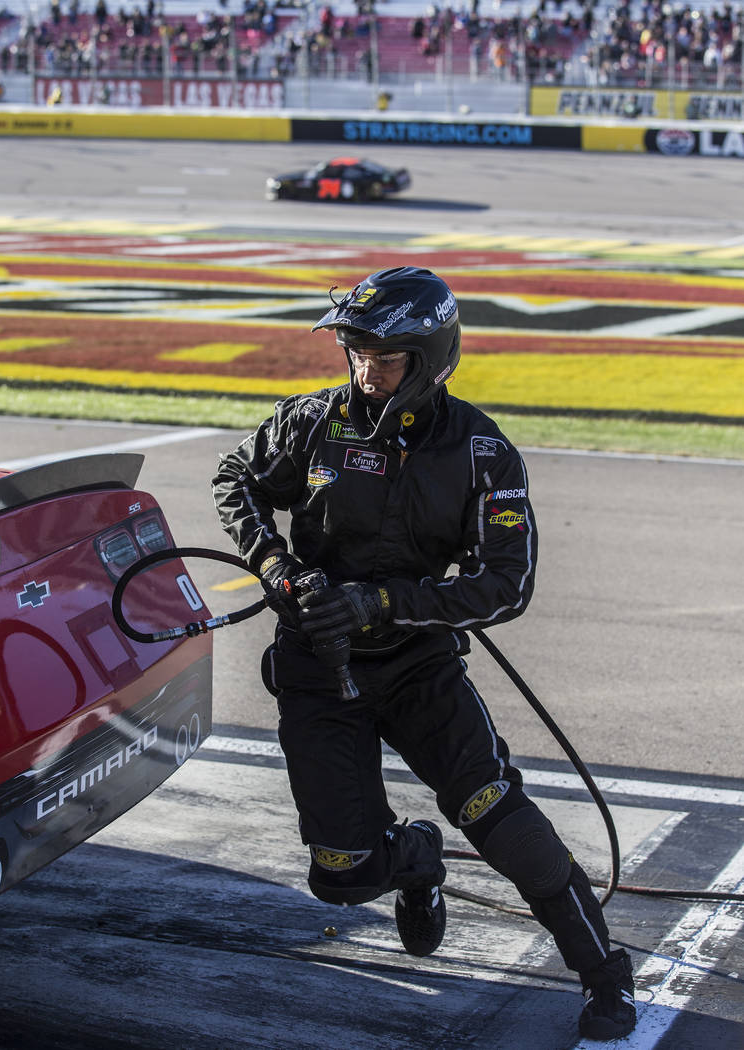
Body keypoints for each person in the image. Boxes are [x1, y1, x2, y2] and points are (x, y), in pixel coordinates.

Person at [212, 266, 637, 1041]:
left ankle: (605, 973)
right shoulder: (310, 421)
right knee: (340, 880)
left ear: (432, 355)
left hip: (418, 667)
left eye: (386, 358)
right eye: (356, 353)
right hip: (317, 664)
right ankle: (414, 859)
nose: (366, 371)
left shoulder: (482, 451)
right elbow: (236, 477)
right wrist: (276, 567)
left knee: (501, 820)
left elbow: (507, 585)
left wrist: (384, 602)